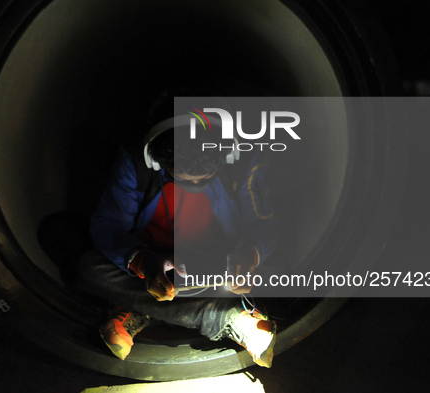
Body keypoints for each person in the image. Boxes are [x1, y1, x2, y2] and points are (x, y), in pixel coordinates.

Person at [73, 103, 281, 368]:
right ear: (158, 161)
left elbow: (263, 225)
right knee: (88, 267)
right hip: (155, 262)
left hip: (218, 265)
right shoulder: (136, 160)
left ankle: (139, 308)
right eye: (183, 178)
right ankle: (227, 317)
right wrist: (144, 262)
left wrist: (249, 255)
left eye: (205, 178)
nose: (195, 186)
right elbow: (108, 225)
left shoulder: (242, 162)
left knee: (277, 265)